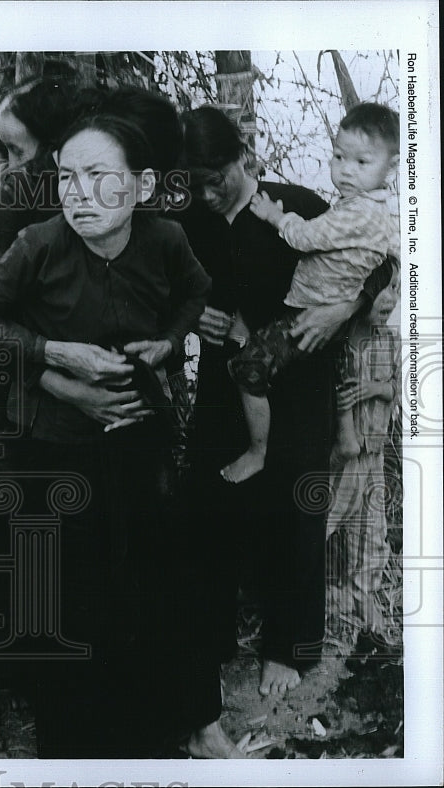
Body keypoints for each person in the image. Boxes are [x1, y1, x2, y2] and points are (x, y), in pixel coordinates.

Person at [0, 114, 217, 758]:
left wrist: (172, 337)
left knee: (156, 576)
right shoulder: (39, 244)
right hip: (53, 446)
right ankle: (64, 736)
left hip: (137, 434)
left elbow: (196, 292)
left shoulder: (167, 240)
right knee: (53, 586)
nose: (79, 194)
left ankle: (185, 725)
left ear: (142, 186)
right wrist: (55, 354)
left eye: (98, 177)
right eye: (67, 178)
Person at [175, 106, 395, 697]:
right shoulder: (191, 220)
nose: (206, 191)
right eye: (195, 180)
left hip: (302, 379)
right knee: (209, 490)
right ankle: (210, 639)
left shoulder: (296, 203)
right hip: (230, 382)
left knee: (297, 501)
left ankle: (288, 648)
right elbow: (165, 288)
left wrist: (342, 309)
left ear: (242, 156)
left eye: (215, 177)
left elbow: (382, 266)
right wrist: (193, 316)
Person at [221, 103, 400, 484]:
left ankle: (257, 451)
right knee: (334, 370)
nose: (346, 169)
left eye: (362, 161)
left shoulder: (356, 214)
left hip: (308, 314)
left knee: (246, 367)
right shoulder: (376, 210)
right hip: (331, 317)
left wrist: (274, 216)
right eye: (338, 156)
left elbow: (304, 238)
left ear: (392, 165)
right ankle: (347, 436)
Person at [326, 274, 400, 647]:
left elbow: (400, 390)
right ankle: (320, 588)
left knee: (372, 526)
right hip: (343, 454)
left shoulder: (391, 341)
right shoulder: (339, 341)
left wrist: (376, 388)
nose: (390, 300)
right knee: (329, 516)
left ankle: (363, 591)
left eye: (398, 291)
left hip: (375, 452)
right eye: (384, 290)